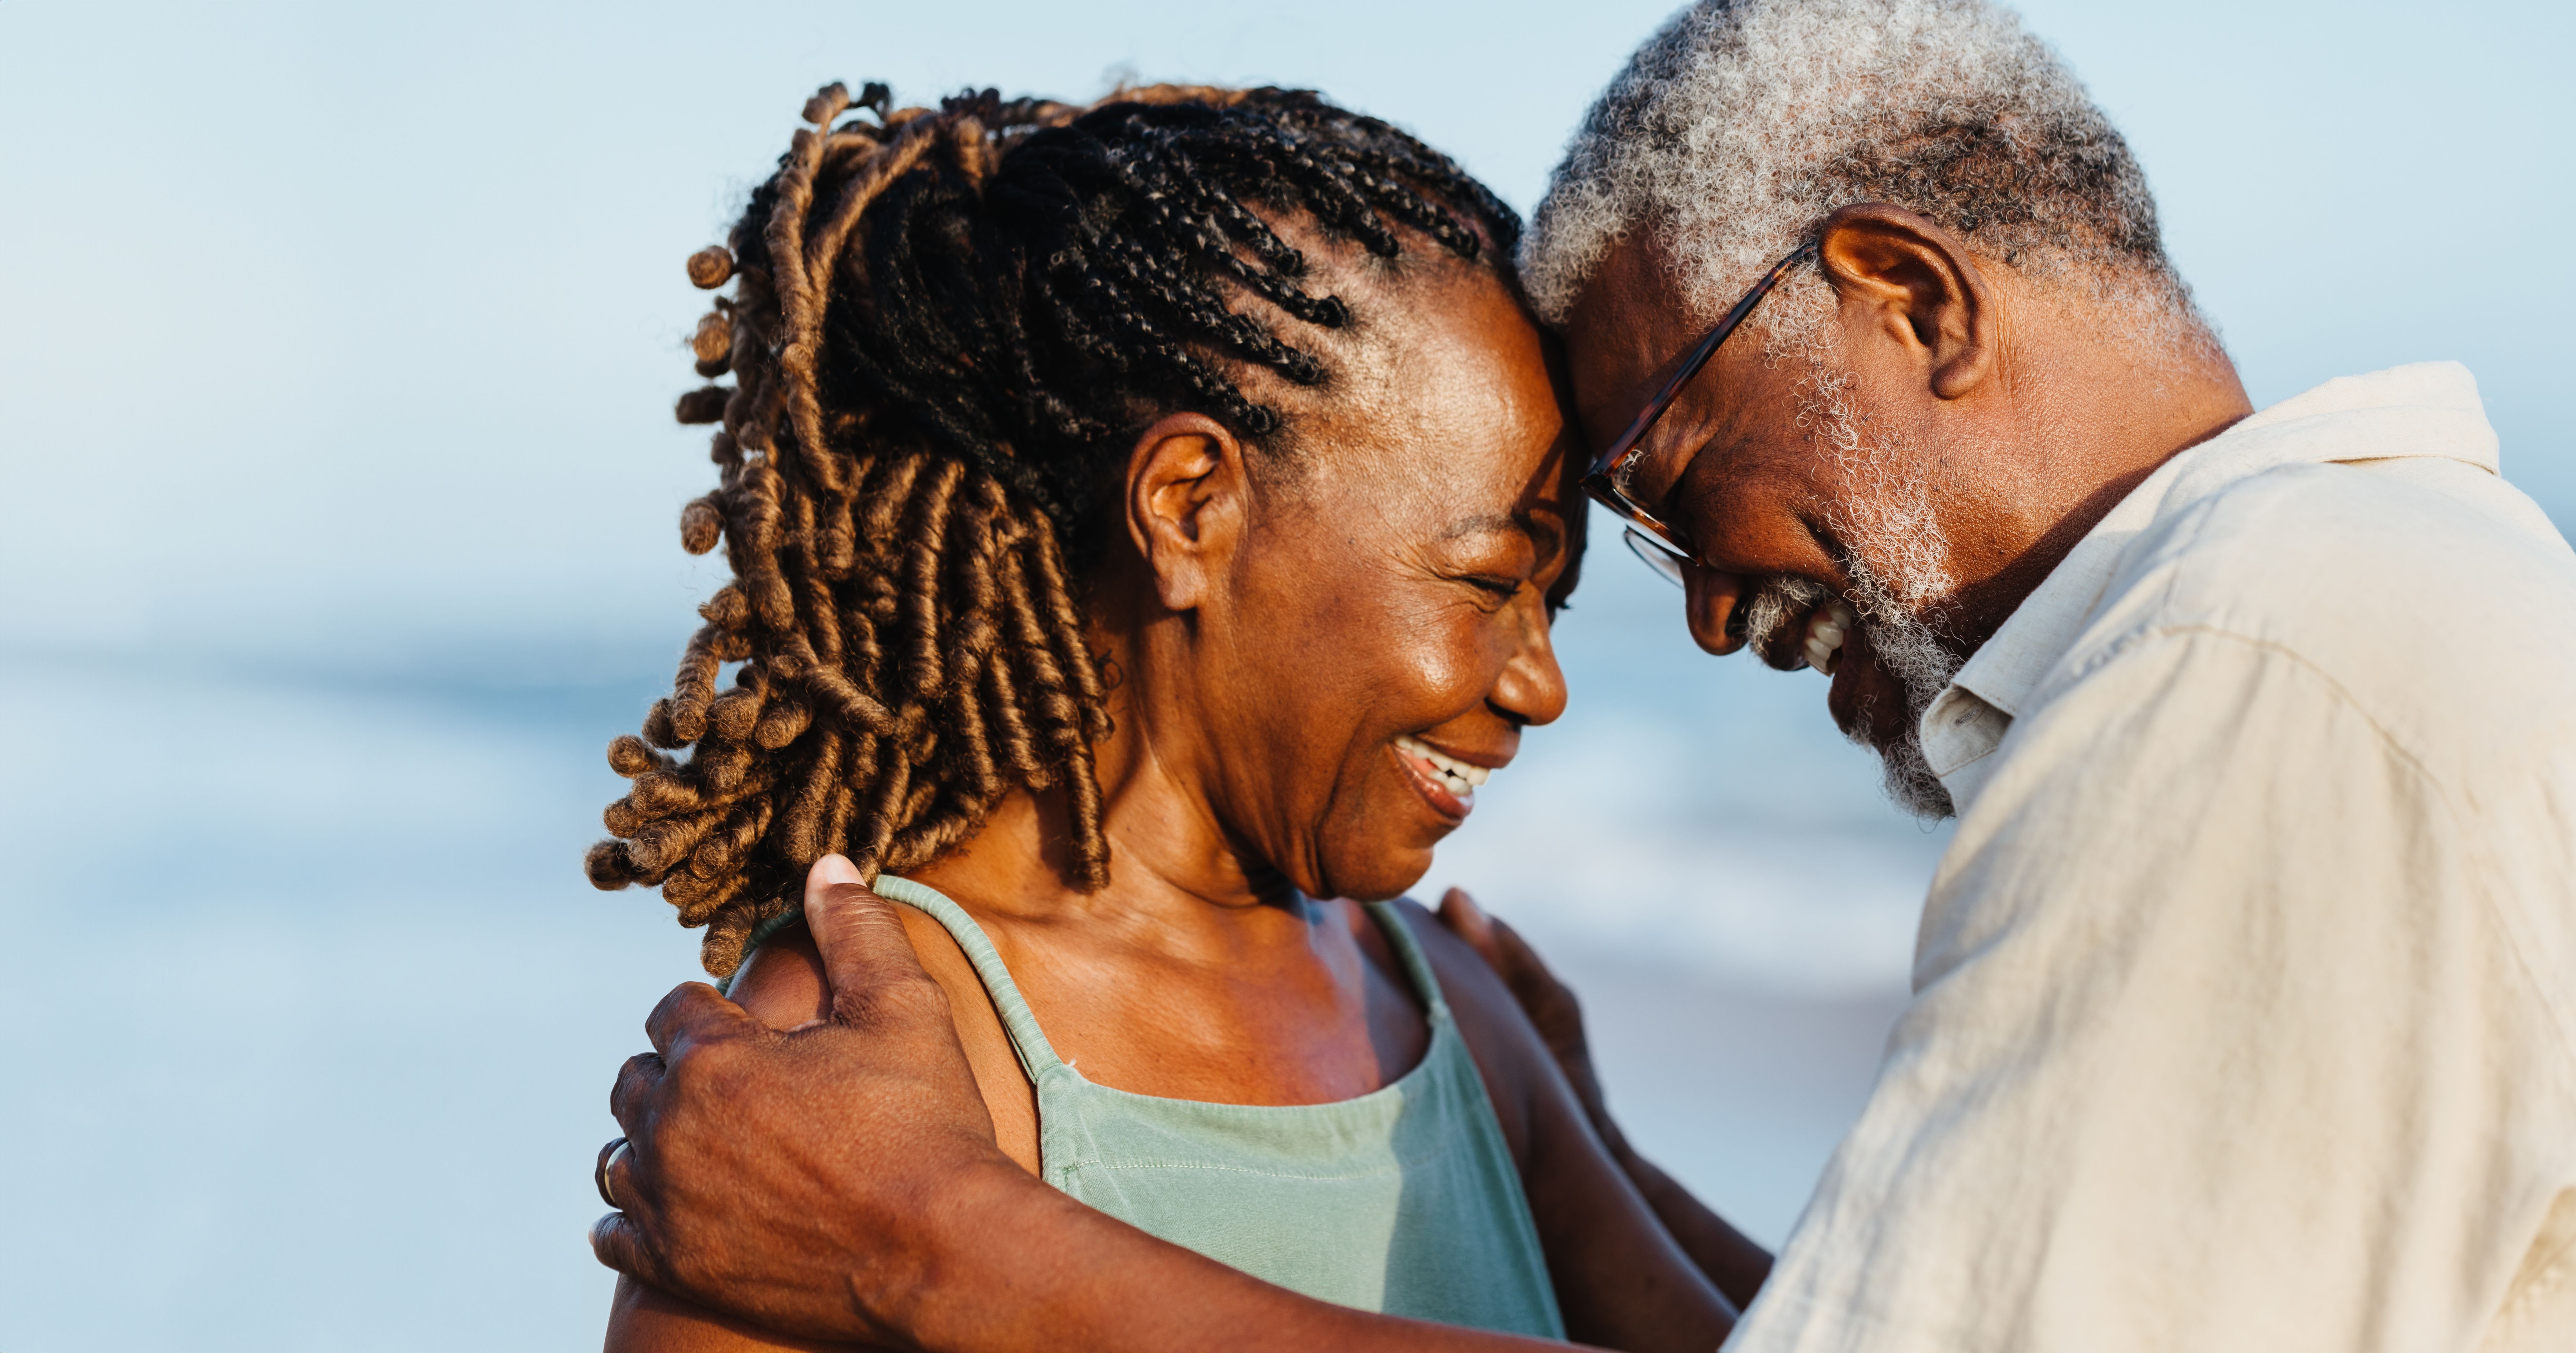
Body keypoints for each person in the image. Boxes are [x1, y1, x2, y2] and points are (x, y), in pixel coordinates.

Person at [592, 2, 2576, 1349]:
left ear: (1903, 294)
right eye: (1514, 566)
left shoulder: (2251, 682)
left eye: (1667, 482)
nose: (1677, 625)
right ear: (1190, 509)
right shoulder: (868, 1053)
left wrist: (935, 1237)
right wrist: (1600, 1158)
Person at [582, 81, 1769, 1352]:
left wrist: (1607, 1155)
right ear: (1190, 507)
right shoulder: (856, 1079)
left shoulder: (1452, 1015)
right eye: (1487, 582)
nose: (1542, 682)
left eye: (1556, 604)